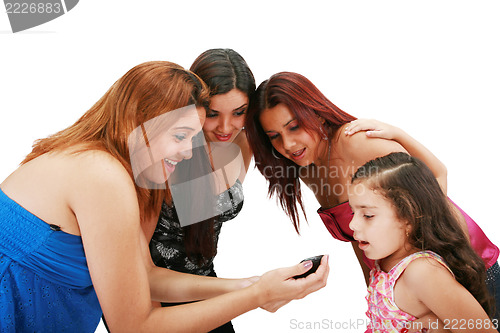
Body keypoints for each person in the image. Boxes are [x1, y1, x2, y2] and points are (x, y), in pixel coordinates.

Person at [0, 61, 329, 332]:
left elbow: (148, 276)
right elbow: (133, 327)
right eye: (181, 136)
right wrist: (257, 296)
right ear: (141, 121)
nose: (189, 152)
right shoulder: (102, 176)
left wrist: (252, 285)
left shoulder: (99, 163)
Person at [245, 71, 499, 322]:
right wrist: (377, 296)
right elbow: (359, 239)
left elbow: (433, 186)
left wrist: (399, 134)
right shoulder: (306, 167)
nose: (288, 144)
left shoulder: (356, 143)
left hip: (463, 267)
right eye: (274, 136)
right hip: (411, 288)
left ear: (318, 115)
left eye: (294, 127)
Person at [149, 49, 255, 332]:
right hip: (151, 297)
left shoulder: (243, 139)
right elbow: (138, 272)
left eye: (239, 113)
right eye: (212, 114)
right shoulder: (169, 152)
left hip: (206, 286)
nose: (225, 127)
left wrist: (389, 133)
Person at [349, 152, 497, 332]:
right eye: (352, 212)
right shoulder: (386, 260)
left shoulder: (423, 272)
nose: (352, 224)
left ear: (409, 218)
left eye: (368, 215)